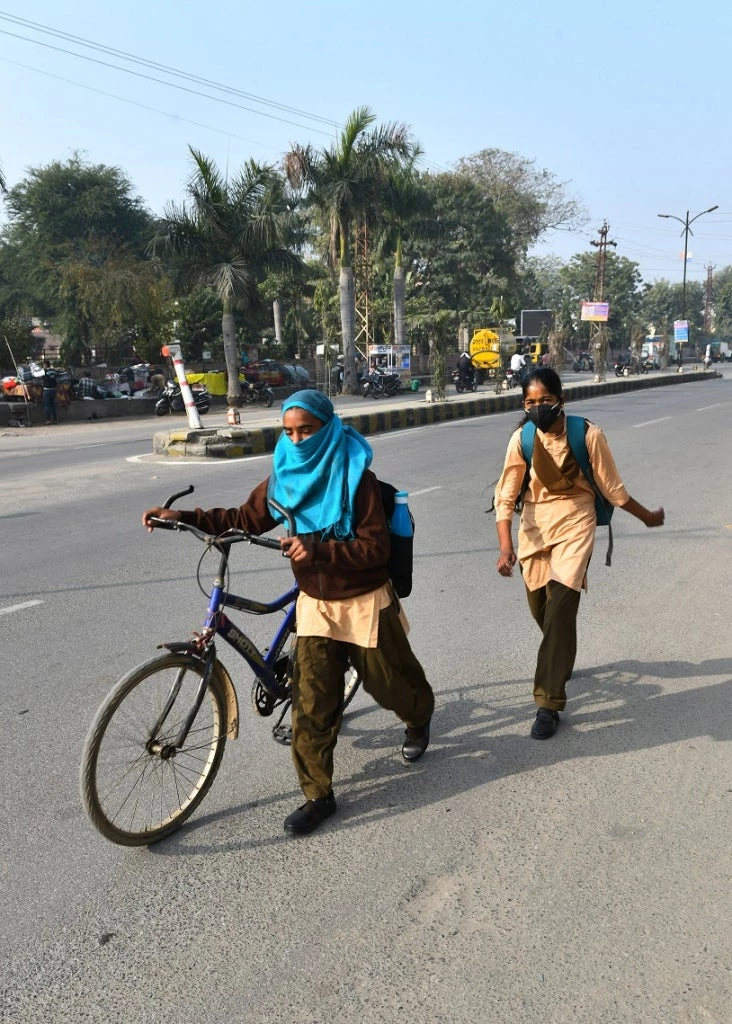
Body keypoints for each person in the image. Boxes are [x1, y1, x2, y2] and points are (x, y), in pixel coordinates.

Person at [142, 389, 434, 835]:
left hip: (362, 600)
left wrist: (318, 548)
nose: (297, 441)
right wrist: (182, 516)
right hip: (315, 605)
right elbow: (245, 517)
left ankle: (418, 718)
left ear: (327, 428)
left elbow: (375, 549)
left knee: (389, 684)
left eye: (307, 430)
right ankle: (318, 795)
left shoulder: (357, 478)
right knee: (311, 703)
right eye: (289, 431)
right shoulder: (284, 475)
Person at [493, 367, 664, 740]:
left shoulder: (588, 435)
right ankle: (562, 653)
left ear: (561, 400)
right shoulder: (522, 439)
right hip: (535, 530)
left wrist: (647, 516)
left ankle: (547, 703)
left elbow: (614, 491)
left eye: (545, 401)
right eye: (530, 402)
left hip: (576, 524)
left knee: (560, 608)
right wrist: (506, 546)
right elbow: (505, 496)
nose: (539, 408)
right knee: (541, 608)